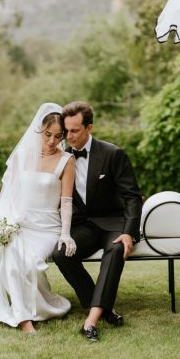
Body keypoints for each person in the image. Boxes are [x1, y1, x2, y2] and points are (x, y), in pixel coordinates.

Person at [0, 103, 77, 333]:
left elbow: (66, 202)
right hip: (21, 225)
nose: (51, 141)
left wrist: (66, 234)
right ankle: (23, 318)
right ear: (39, 130)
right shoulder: (22, 156)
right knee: (9, 256)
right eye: (48, 135)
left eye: (58, 137)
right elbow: (10, 194)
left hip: (48, 228)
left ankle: (33, 309)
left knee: (28, 262)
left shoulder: (66, 161)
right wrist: (7, 222)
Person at [52, 101, 143, 342]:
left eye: (74, 131)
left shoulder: (113, 154)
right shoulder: (61, 157)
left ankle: (90, 322)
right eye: (66, 131)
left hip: (113, 223)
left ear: (89, 127)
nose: (68, 136)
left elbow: (132, 196)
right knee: (61, 254)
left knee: (115, 251)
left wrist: (128, 233)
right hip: (83, 226)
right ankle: (103, 308)